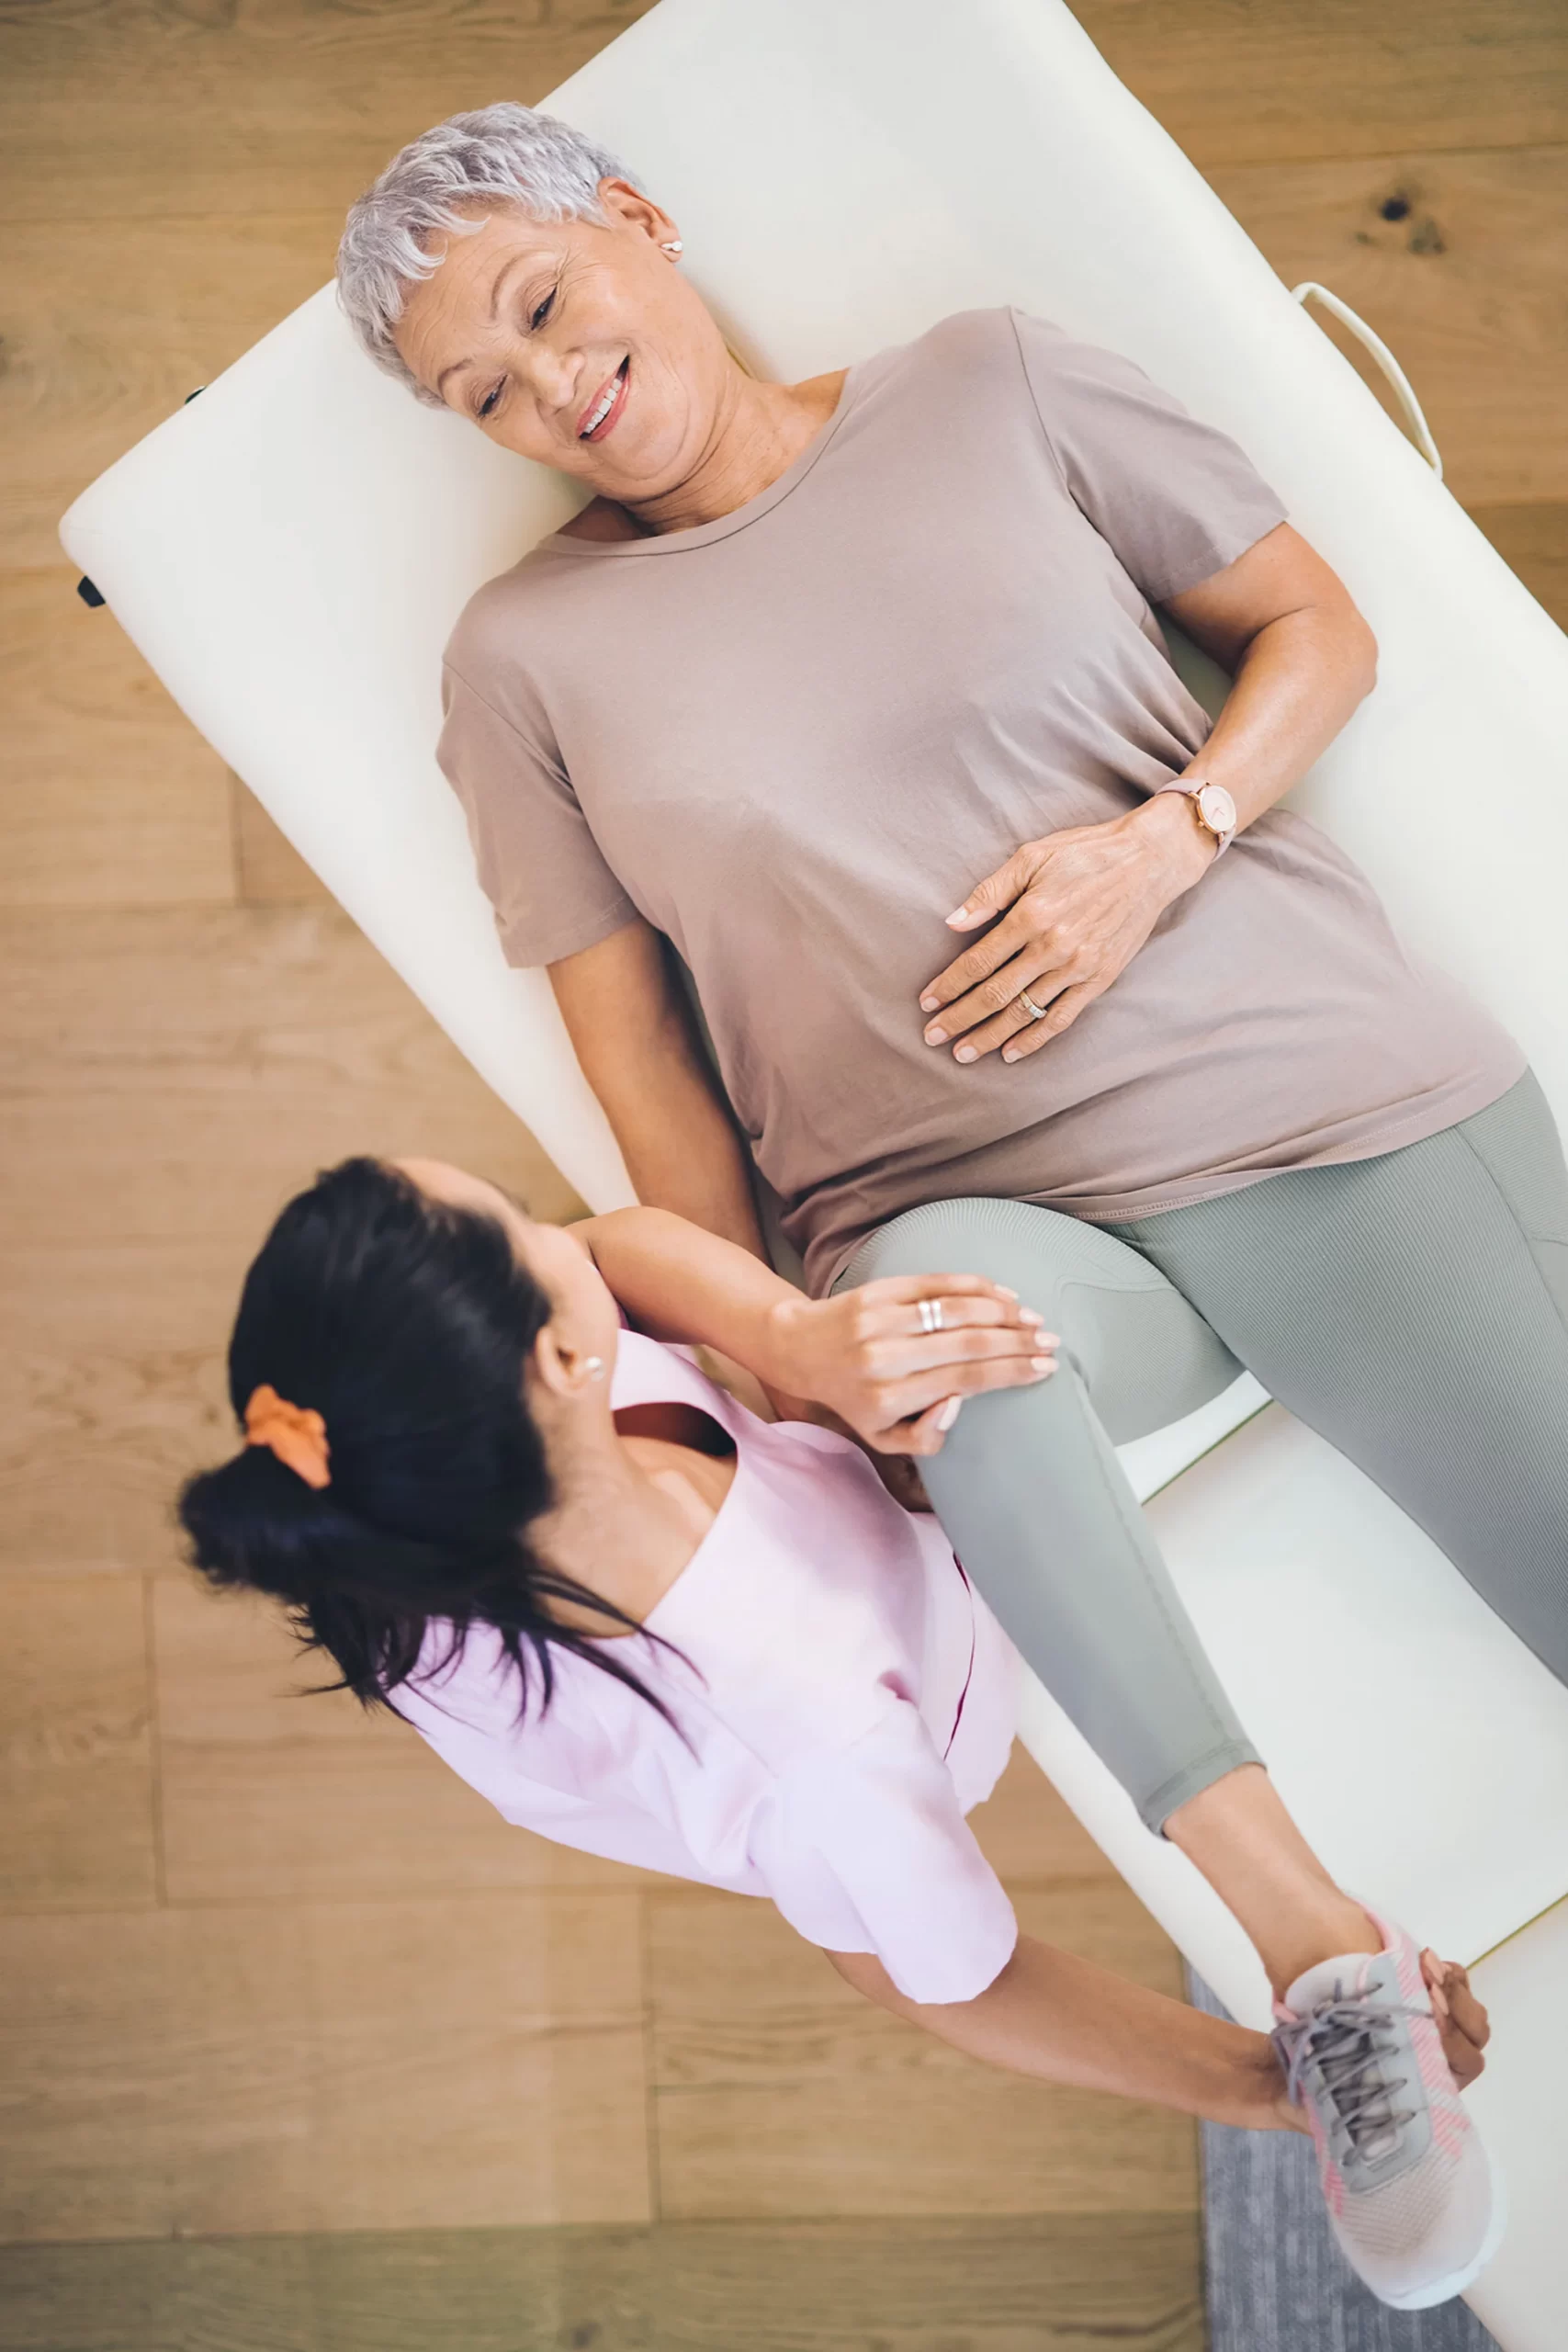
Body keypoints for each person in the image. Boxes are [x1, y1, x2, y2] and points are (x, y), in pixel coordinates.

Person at [181, 1157, 1495, 2311]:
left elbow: (611, 1247)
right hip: (933, 1666)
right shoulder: (814, 1750)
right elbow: (950, 1979)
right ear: (561, 1365)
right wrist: (1257, 2085)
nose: (561, 1233)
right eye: (524, 1227)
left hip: (805, 1540)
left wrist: (786, 1339)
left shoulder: (425, 1483)